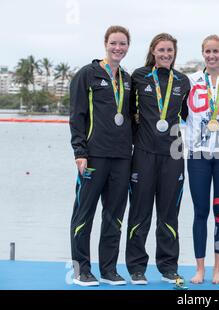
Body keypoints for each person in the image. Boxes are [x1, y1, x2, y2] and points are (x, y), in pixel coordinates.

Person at [125, 33, 190, 285]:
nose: (166, 54)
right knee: (140, 213)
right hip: (143, 154)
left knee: (169, 214)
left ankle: (168, 267)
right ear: (153, 51)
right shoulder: (139, 77)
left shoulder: (183, 81)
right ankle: (136, 268)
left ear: (175, 53)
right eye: (161, 50)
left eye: (170, 51)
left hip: (173, 155)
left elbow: (187, 115)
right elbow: (128, 112)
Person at [69, 25, 132, 286]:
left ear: (128, 47)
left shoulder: (128, 79)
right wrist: (79, 152)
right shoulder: (88, 74)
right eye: (114, 43)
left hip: (122, 158)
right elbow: (77, 116)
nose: (118, 48)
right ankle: (81, 269)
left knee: (114, 216)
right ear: (105, 44)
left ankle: (108, 269)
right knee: (84, 214)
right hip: (93, 157)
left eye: (123, 44)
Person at [186, 35, 219, 284]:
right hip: (197, 155)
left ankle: (218, 269)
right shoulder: (192, 81)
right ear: (203, 53)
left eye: (216, 51)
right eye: (207, 51)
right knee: (200, 211)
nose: (211, 55)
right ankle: (200, 269)